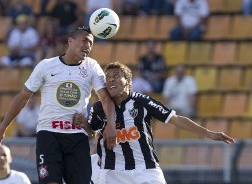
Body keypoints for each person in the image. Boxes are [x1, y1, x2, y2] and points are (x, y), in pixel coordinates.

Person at [0, 26, 116, 184]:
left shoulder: (92, 67)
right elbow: (22, 97)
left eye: (91, 43)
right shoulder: (46, 66)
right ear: (70, 40)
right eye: (85, 41)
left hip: (77, 136)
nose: (88, 46)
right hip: (49, 134)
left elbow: (105, 98)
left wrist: (111, 124)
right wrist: (2, 128)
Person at [73, 61, 235, 184]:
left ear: (129, 81)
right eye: (107, 77)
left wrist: (208, 133)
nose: (110, 80)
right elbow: (91, 132)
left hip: (144, 169)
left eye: (116, 76)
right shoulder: (99, 107)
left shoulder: (142, 102)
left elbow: (176, 120)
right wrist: (84, 124)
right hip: (110, 172)